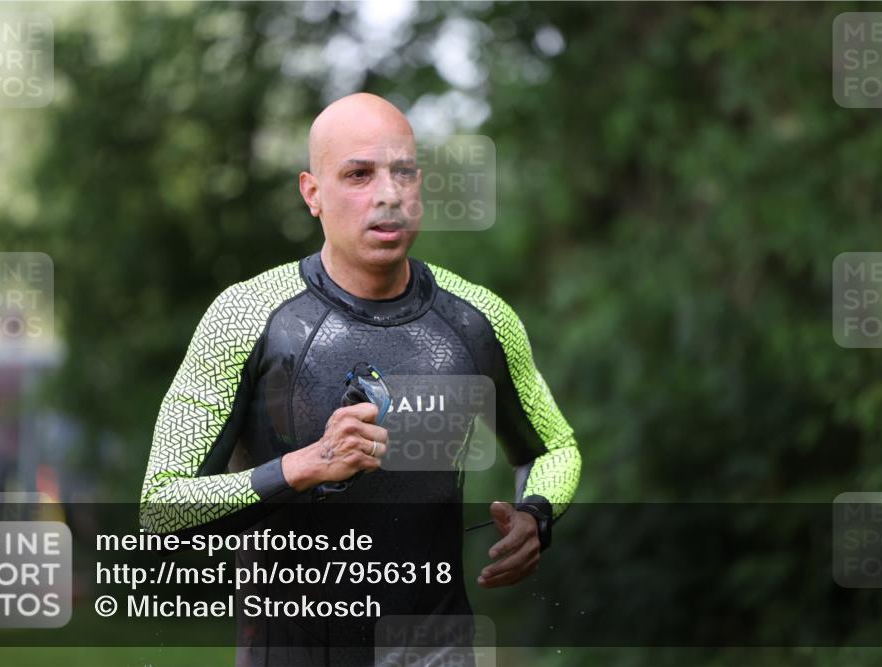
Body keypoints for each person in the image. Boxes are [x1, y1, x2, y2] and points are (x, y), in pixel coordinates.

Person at [139, 92, 581, 666]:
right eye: (358, 174)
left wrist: (536, 514)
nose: (389, 195)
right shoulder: (247, 316)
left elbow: (556, 449)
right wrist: (304, 466)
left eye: (404, 173)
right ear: (312, 193)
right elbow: (161, 505)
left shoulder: (479, 317)